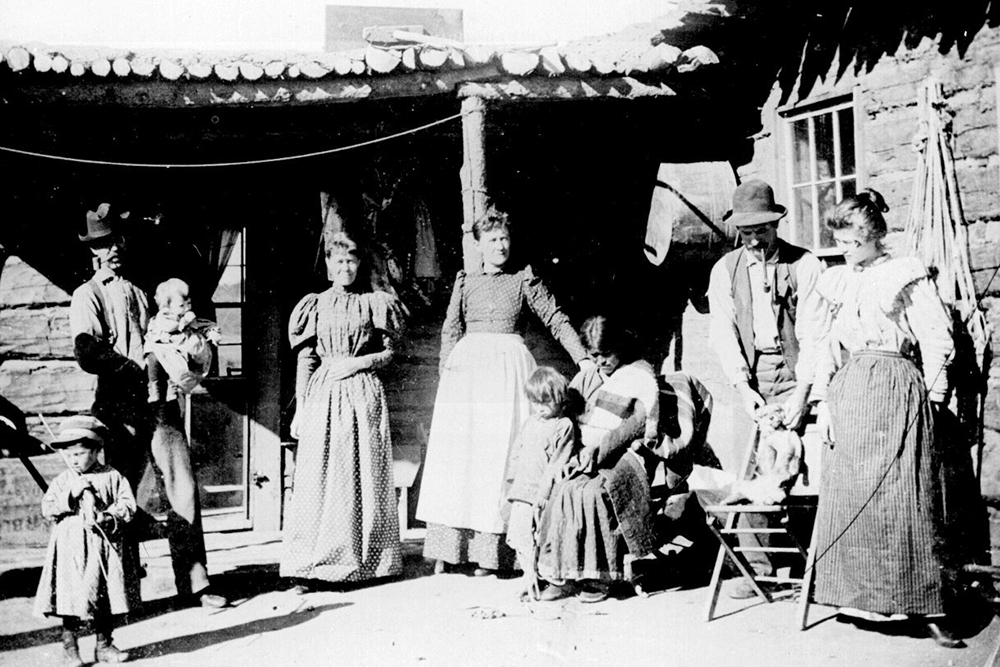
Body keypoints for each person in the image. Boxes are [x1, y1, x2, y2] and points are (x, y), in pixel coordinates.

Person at [807, 190, 965, 648]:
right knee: (852, 495)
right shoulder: (839, 282)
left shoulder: (903, 275)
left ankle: (924, 604)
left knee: (902, 496)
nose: (843, 251)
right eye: (839, 243)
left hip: (896, 390)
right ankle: (861, 600)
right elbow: (826, 347)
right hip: (850, 394)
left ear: (872, 237)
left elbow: (938, 339)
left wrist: (933, 401)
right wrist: (823, 404)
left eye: (850, 243)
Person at [416, 207, 592, 576]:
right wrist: (446, 371)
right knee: (461, 458)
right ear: (478, 245)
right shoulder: (466, 281)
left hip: (507, 374)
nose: (500, 246)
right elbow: (451, 328)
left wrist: (584, 359)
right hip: (466, 377)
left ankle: (491, 554)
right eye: (493, 239)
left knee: (497, 457)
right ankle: (450, 550)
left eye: (505, 238)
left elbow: (555, 318)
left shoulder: (523, 280)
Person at [70, 202, 226, 608]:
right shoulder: (88, 295)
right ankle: (123, 594)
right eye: (104, 243)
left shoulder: (144, 290)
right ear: (93, 251)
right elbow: (86, 350)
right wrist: (130, 370)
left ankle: (196, 583)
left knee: (181, 485)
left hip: (160, 404)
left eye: (117, 240)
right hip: (119, 408)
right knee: (119, 493)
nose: (114, 249)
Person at [706, 179, 822, 597]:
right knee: (750, 467)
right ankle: (759, 568)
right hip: (752, 375)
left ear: (776, 225)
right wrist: (743, 387)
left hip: (798, 371)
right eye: (746, 233)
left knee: (803, 464)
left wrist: (804, 391)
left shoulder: (805, 264)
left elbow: (815, 333)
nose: (755, 240)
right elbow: (723, 333)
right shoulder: (725, 270)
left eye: (762, 231)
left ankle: (810, 565)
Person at [281, 230, 405, 589]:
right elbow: (306, 359)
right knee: (318, 476)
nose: (346, 268)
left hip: (362, 392)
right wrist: (301, 409)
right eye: (339, 261)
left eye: (352, 261)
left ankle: (366, 564)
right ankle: (310, 565)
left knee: (360, 473)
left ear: (359, 263)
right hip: (323, 394)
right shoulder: (315, 304)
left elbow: (390, 352)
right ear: (329, 264)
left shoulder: (374, 302)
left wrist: (358, 363)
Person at [534, 315, 662, 603]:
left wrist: (599, 451)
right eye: (594, 355)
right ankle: (561, 575)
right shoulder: (587, 377)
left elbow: (638, 425)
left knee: (592, 493)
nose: (601, 361)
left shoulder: (639, 374)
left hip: (625, 454)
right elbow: (569, 418)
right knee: (563, 489)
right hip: (587, 453)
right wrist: (573, 456)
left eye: (607, 354)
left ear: (620, 346)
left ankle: (598, 576)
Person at [34, 416, 140, 666]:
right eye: (69, 455)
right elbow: (48, 508)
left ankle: (104, 646)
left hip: (102, 549)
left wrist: (108, 517)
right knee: (70, 601)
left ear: (95, 451)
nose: (74, 460)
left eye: (80, 454)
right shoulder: (64, 480)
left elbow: (128, 505)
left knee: (103, 599)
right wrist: (71, 494)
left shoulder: (112, 476)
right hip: (71, 551)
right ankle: (70, 648)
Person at [505, 366, 581, 601]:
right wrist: (511, 481)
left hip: (541, 492)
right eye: (536, 402)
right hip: (521, 489)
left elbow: (556, 464)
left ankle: (552, 580)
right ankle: (530, 578)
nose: (540, 408)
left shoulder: (563, 426)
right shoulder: (530, 423)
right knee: (519, 536)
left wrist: (544, 493)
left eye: (546, 402)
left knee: (540, 537)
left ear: (560, 399)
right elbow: (517, 452)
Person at [144, 278, 221, 404]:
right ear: (167, 306)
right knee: (154, 358)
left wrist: (211, 333)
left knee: (181, 365)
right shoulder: (163, 317)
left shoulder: (189, 316)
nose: (187, 308)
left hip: (182, 350)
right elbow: (170, 327)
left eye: (189, 304)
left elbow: (202, 325)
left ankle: (173, 387)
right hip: (165, 346)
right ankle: (154, 387)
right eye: (181, 305)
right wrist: (184, 322)